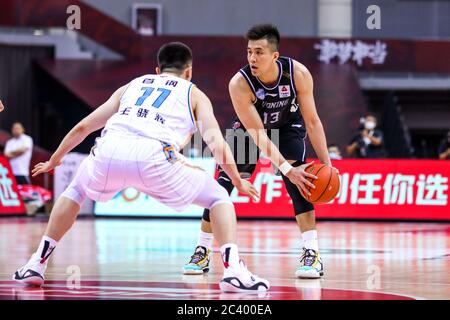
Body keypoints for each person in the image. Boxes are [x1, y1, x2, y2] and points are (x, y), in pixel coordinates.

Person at [13, 42, 269, 293]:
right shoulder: (193, 92)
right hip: (155, 156)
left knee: (76, 190)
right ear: (189, 72)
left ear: (157, 70)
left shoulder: (132, 85)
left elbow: (84, 127)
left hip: (110, 149)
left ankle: (36, 263)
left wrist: (55, 159)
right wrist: (236, 180)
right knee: (218, 198)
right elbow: (217, 144)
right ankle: (232, 270)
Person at [183, 24, 337, 279]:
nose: (252, 58)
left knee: (299, 181)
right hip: (251, 130)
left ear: (275, 55)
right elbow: (258, 135)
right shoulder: (239, 83)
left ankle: (312, 254)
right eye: (249, 52)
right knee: (222, 187)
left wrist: (326, 163)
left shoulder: (298, 73)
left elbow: (312, 121)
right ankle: (202, 249)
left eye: (259, 52)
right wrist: (286, 168)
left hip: (288, 125)